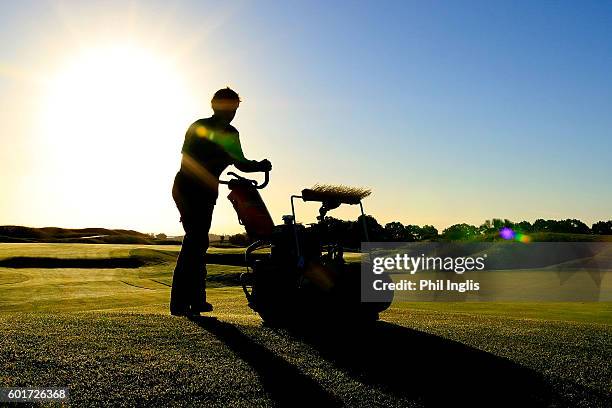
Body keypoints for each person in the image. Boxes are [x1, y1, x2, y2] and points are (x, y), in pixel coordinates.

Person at [170, 87, 272, 316]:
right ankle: (180, 303)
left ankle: (196, 301)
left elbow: (240, 163)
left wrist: (258, 165)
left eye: (235, 108)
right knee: (195, 241)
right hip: (188, 188)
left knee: (198, 242)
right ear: (215, 105)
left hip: (205, 192)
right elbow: (190, 159)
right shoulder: (200, 126)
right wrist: (222, 159)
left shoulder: (231, 132)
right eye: (228, 107)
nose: (232, 112)